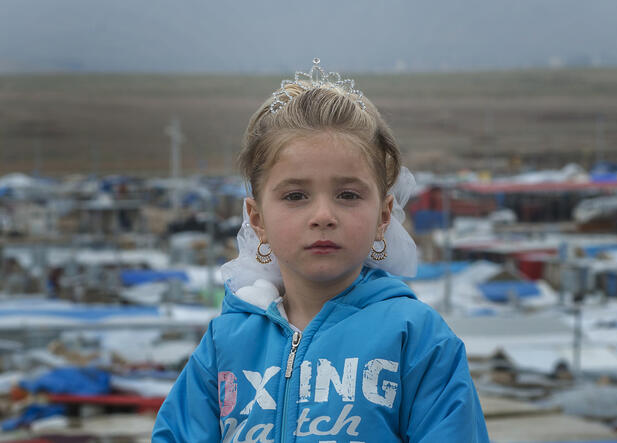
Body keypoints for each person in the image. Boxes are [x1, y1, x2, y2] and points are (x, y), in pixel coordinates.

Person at [152, 59, 489, 442]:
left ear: (383, 215)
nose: (324, 215)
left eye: (348, 195)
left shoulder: (417, 338)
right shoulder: (225, 342)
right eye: (295, 196)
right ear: (257, 218)